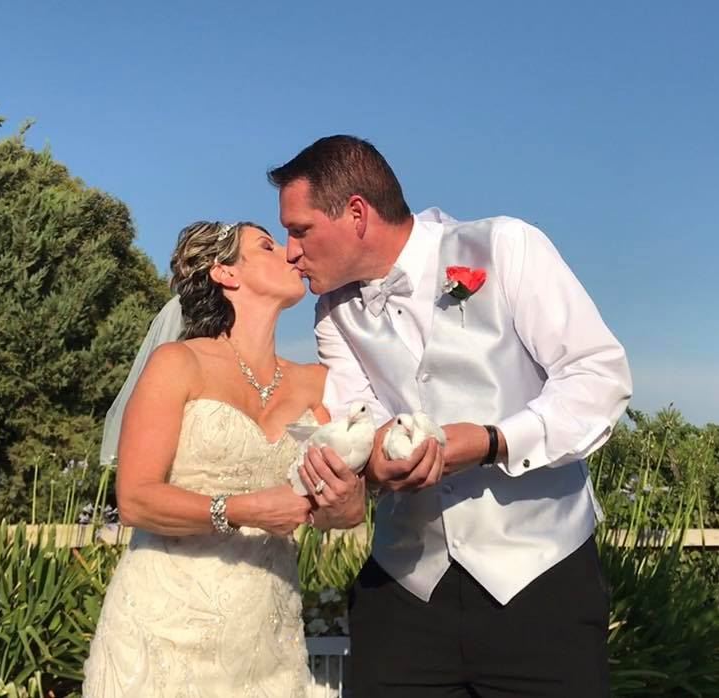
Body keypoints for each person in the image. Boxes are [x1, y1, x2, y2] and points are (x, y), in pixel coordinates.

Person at [270, 135, 633, 697]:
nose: (290, 252)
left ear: (357, 214)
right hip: (405, 589)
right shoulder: (332, 313)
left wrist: (493, 440)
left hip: (543, 582)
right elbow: (356, 418)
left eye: (300, 230)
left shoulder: (506, 246)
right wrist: (373, 462)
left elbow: (599, 377)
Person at [82, 220, 365, 697]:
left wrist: (341, 503)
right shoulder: (178, 363)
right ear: (225, 272)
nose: (290, 253)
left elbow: (347, 509)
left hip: (266, 635)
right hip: (162, 627)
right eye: (267, 246)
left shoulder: (316, 382)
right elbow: (135, 500)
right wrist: (243, 509)